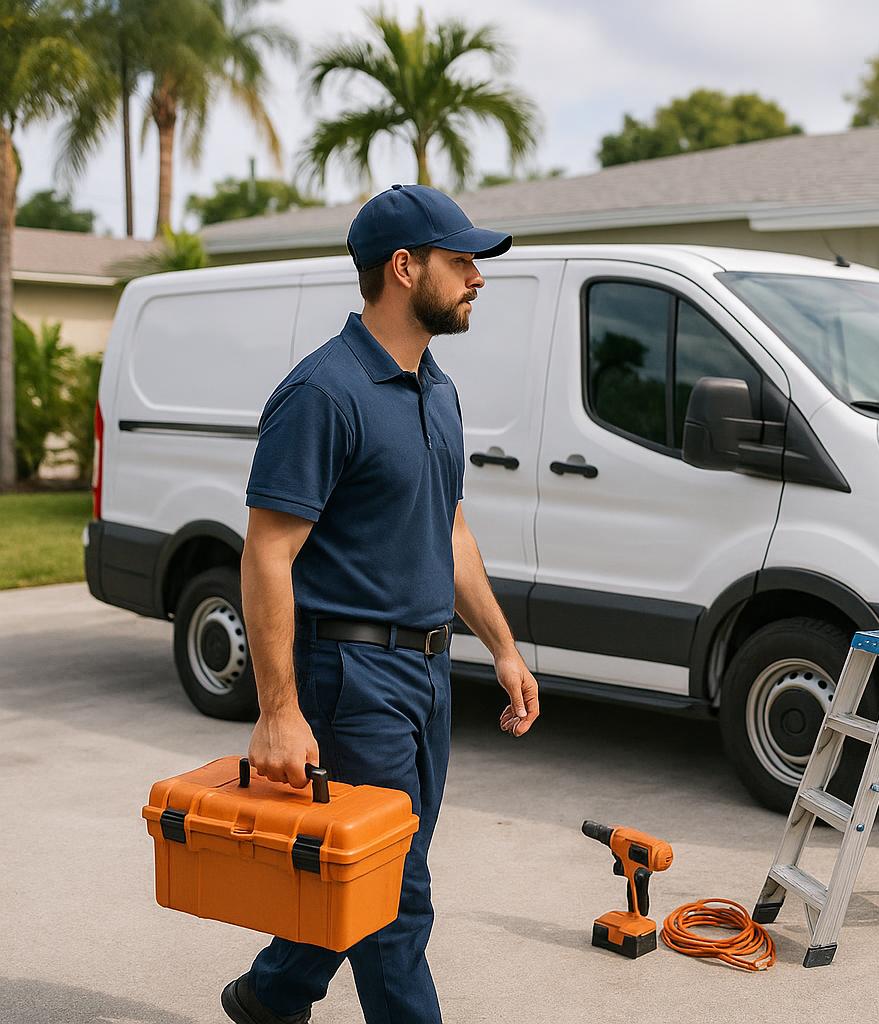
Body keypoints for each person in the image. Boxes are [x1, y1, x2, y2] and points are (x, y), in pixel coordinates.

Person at [221, 184, 540, 1024]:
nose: (478, 278)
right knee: (398, 899)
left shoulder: (437, 388)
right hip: (352, 678)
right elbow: (268, 552)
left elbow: (451, 528)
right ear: (404, 268)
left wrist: (501, 646)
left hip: (427, 675)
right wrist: (279, 711)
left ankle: (271, 992)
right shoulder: (323, 393)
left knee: (368, 870)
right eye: (461, 260)